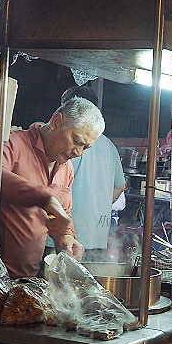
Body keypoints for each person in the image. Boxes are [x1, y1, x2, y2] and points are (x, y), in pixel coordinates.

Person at [0, 96, 104, 278]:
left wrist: (66, 236)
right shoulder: (12, 143)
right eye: (77, 141)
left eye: (86, 147)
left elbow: (63, 210)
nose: (79, 153)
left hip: (27, 277)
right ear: (56, 121)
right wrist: (44, 198)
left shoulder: (67, 168)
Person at [56, 86, 125, 258]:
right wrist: (96, 205)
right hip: (97, 237)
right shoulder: (108, 145)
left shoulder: (61, 139)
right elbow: (120, 186)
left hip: (63, 238)